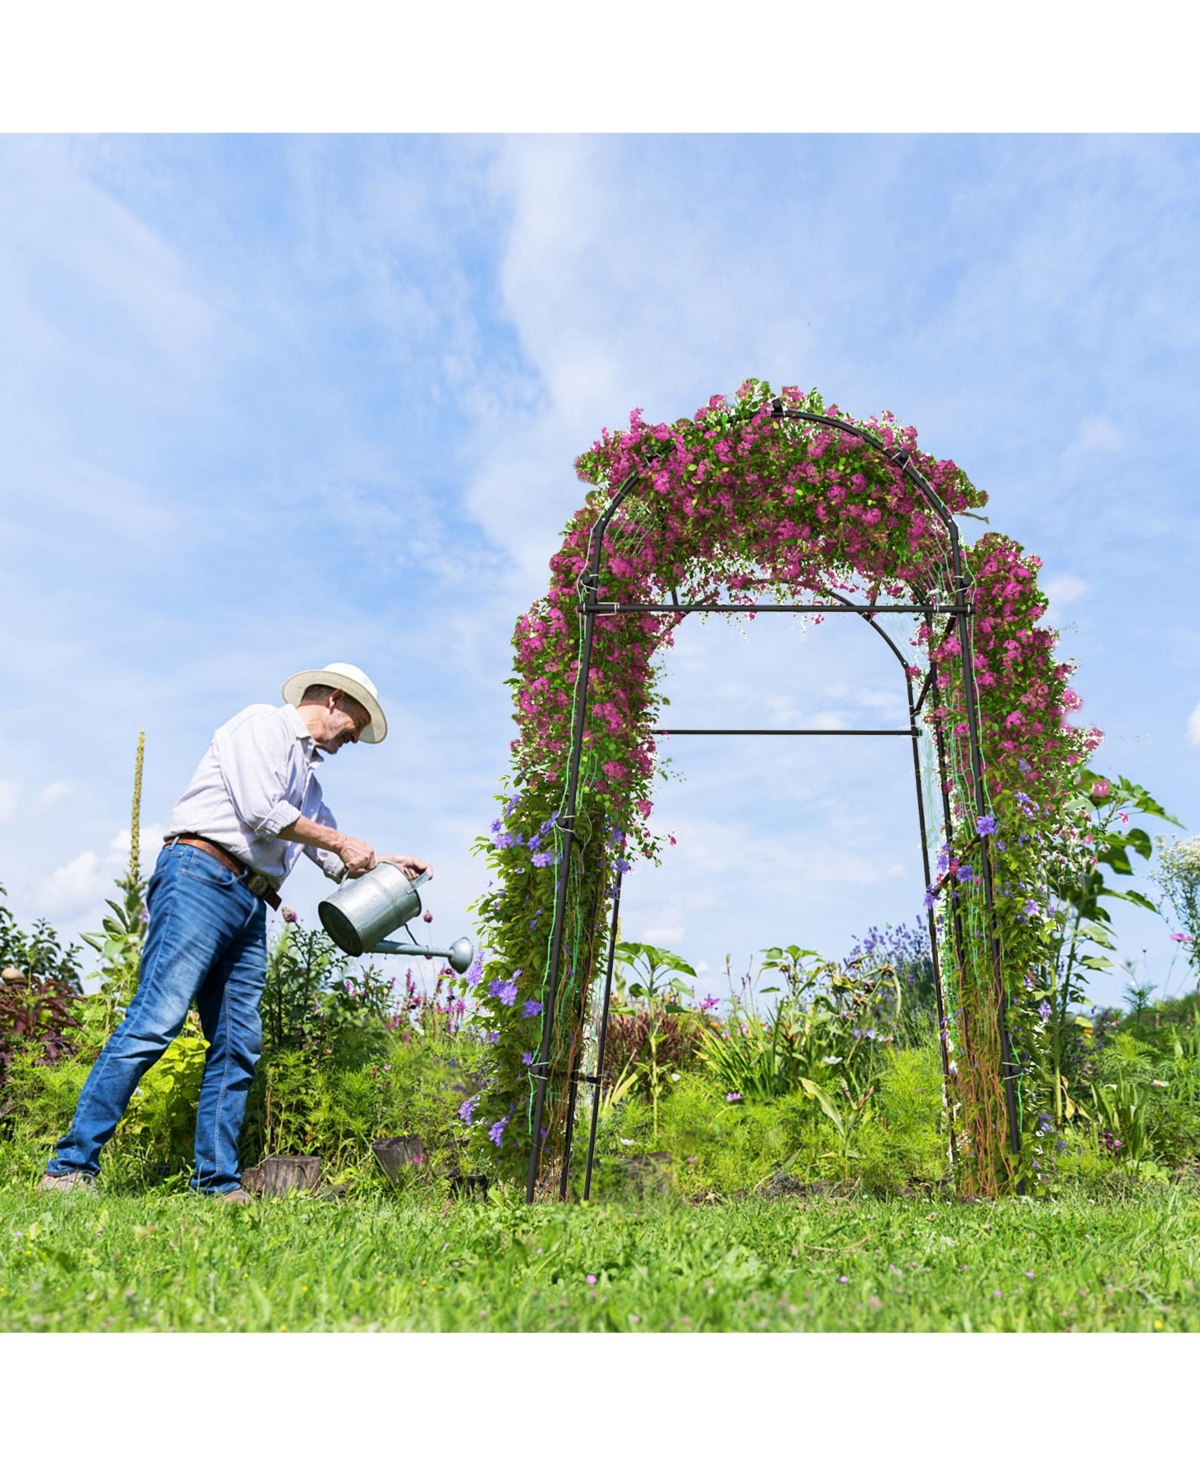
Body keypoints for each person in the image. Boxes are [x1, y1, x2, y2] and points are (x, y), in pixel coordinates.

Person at [39, 662, 430, 1202]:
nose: (355, 737)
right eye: (356, 723)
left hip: (249, 902)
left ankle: (217, 1183)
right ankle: (69, 1168)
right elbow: (262, 812)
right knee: (155, 1021)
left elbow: (331, 854)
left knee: (237, 1044)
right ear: (335, 701)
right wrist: (342, 844)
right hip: (200, 877)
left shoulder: (309, 782)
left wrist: (385, 862)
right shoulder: (261, 726)